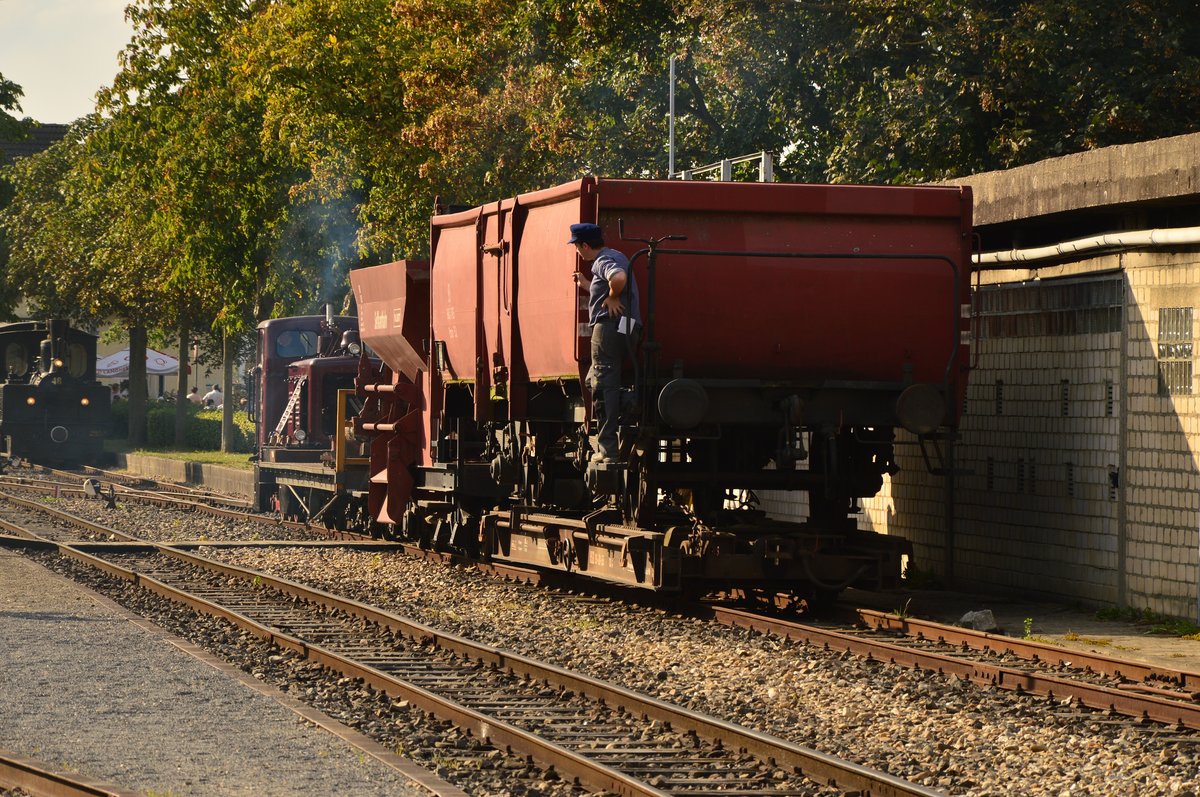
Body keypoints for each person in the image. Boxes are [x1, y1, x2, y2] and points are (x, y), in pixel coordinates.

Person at [568, 222, 641, 463]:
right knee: (596, 380)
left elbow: (617, 278)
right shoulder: (616, 255)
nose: (577, 251)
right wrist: (589, 286)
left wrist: (611, 296)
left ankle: (608, 450)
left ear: (585, 245)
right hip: (627, 326)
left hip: (608, 328)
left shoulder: (601, 261)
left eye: (577, 247)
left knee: (602, 386)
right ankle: (628, 403)